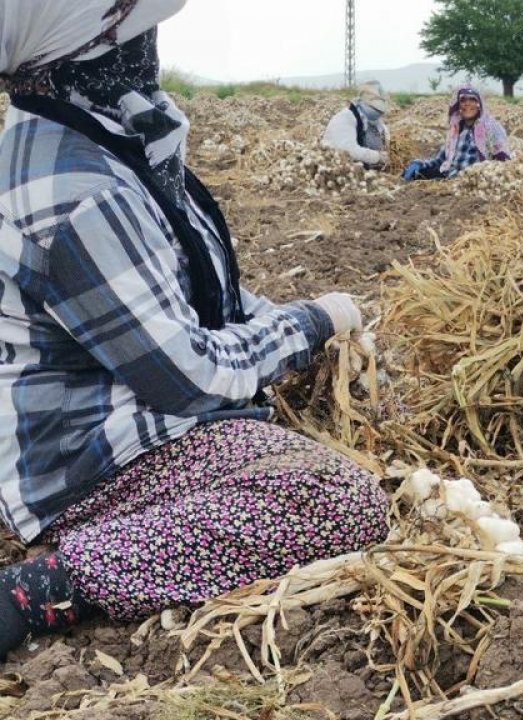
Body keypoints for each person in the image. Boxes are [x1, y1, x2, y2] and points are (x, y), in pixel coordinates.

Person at [0, 0, 389, 658]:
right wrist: (311, 323)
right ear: (98, 45)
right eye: (137, 32)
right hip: (91, 468)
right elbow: (189, 377)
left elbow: (206, 291)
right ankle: (48, 586)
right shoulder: (76, 189)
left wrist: (284, 323)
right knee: (338, 499)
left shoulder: (106, 145)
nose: (151, 47)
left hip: (130, 424)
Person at [403, 84, 512, 181]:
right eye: (463, 100)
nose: (467, 104)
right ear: (458, 105)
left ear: (479, 105)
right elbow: (440, 160)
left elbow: (502, 161)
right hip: (450, 176)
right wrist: (419, 164)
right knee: (415, 173)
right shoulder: (455, 130)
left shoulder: (491, 128)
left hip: (472, 180)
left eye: (472, 100)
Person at [322, 80, 391, 169]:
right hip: (338, 170)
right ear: (362, 100)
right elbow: (348, 150)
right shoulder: (345, 118)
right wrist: (377, 157)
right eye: (374, 100)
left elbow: (386, 147)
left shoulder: (377, 124)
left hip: (368, 175)